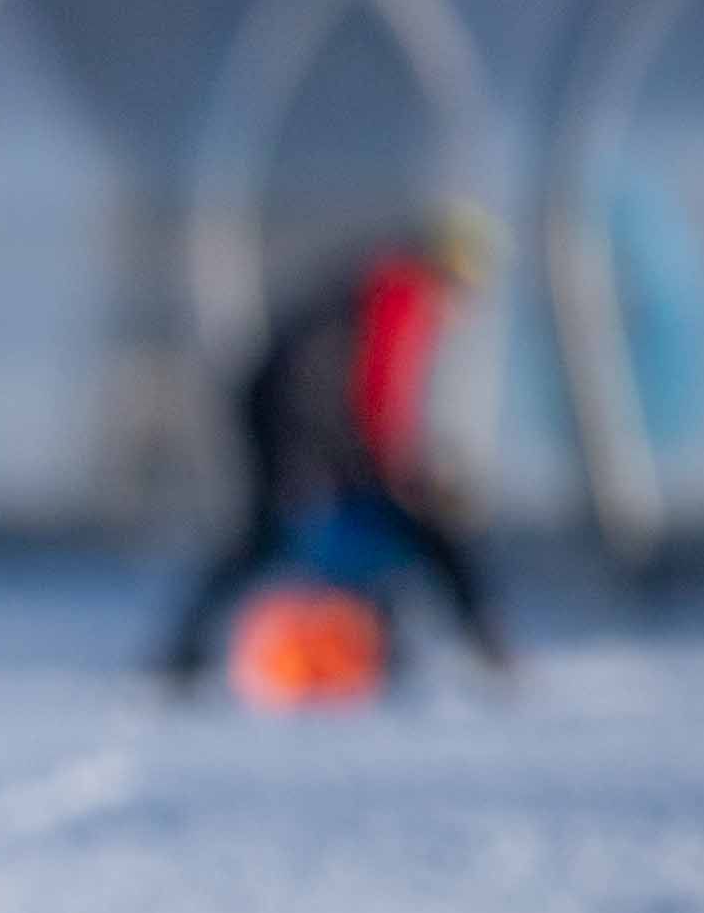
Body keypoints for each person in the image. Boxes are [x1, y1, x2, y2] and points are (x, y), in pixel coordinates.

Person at [159, 211, 516, 691]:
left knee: (282, 535)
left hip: (293, 427)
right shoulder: (402, 294)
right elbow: (379, 393)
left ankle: (190, 647)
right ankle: (480, 644)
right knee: (413, 531)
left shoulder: (372, 287)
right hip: (302, 431)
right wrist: (402, 469)